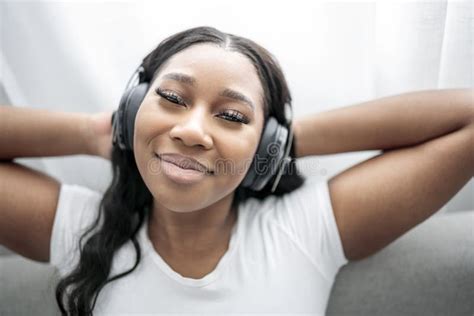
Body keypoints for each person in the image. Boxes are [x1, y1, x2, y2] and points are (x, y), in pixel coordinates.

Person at [1, 26, 472, 316]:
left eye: (232, 116)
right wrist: (93, 131)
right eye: (170, 98)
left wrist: (286, 142)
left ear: (266, 144)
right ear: (132, 110)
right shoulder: (80, 229)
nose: (191, 131)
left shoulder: (303, 231)